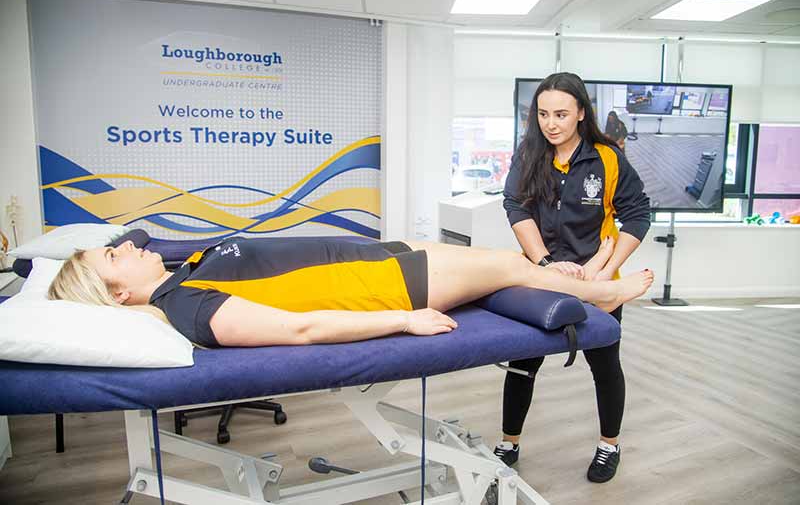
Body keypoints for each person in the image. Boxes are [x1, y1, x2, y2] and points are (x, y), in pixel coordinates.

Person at [48, 237, 652, 348]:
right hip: (388, 288)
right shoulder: (185, 306)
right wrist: (401, 321)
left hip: (383, 260)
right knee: (510, 265)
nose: (128, 247)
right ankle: (600, 293)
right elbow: (299, 328)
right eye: (114, 256)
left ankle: (583, 279)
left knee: (514, 263)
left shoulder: (181, 273)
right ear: (118, 294)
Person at [500, 72, 651, 483]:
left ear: (581, 113)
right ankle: (509, 442)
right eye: (544, 114)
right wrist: (546, 262)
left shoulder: (608, 158)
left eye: (561, 114)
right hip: (542, 274)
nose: (551, 123)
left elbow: (637, 214)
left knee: (605, 366)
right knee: (522, 365)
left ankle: (609, 445)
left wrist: (603, 270)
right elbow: (516, 206)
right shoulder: (529, 154)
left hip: (599, 281)